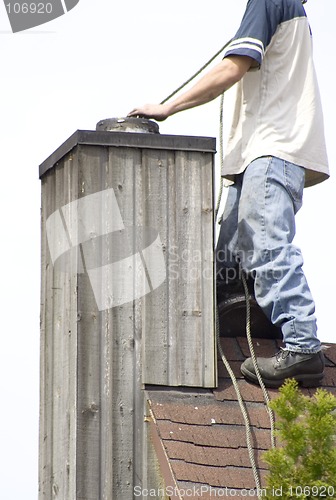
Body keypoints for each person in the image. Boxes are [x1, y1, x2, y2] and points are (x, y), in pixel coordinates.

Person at [128, 0, 329, 388]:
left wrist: (167, 107)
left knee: (266, 243)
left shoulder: (270, 0)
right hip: (255, 159)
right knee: (229, 265)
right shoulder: (291, 14)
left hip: (269, 152)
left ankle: (302, 344)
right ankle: (241, 320)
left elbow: (232, 68)